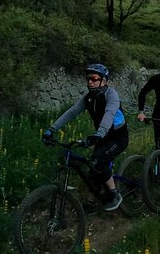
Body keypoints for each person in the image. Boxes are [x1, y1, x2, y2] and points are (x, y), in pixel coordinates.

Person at [42, 64, 128, 212]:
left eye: (95, 79)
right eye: (88, 79)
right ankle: (96, 198)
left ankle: (114, 194)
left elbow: (109, 114)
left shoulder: (111, 94)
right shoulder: (89, 98)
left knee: (99, 163)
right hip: (101, 137)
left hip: (117, 137)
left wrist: (99, 134)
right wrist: (51, 129)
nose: (90, 82)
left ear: (104, 81)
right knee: (93, 167)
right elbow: (71, 113)